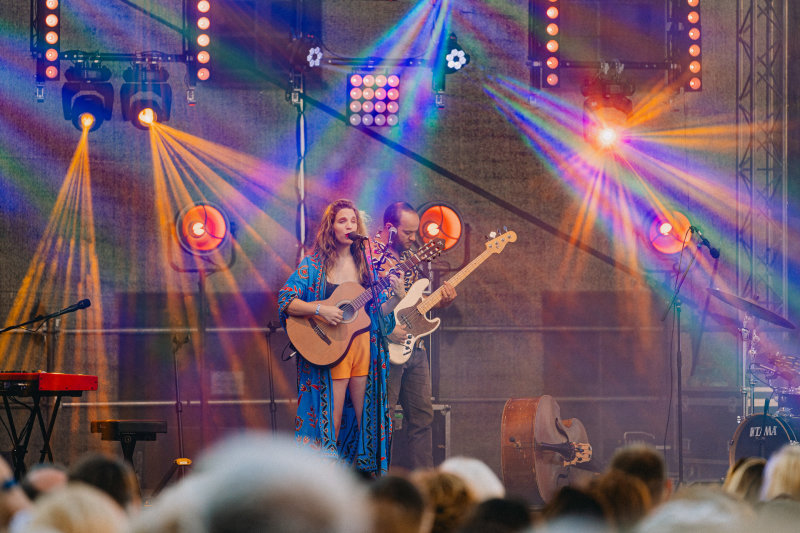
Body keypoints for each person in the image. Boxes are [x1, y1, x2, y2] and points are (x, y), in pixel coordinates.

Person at [279, 198, 405, 476]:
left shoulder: (368, 266)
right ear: (331, 227)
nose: (348, 226)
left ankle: (367, 482)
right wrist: (321, 309)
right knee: (330, 423)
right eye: (342, 221)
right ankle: (327, 481)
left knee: (368, 419)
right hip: (332, 348)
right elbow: (286, 299)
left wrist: (396, 296)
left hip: (364, 350)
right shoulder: (314, 265)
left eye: (352, 221)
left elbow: (378, 314)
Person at [373, 201, 456, 469]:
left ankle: (426, 486)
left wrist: (438, 302)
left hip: (415, 347)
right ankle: (378, 485)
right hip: (384, 348)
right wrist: (386, 328)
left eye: (415, 232)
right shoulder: (368, 255)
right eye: (408, 233)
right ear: (390, 229)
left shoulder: (410, 259)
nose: (414, 238)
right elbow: (360, 303)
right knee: (382, 419)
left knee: (423, 418)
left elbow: (412, 304)